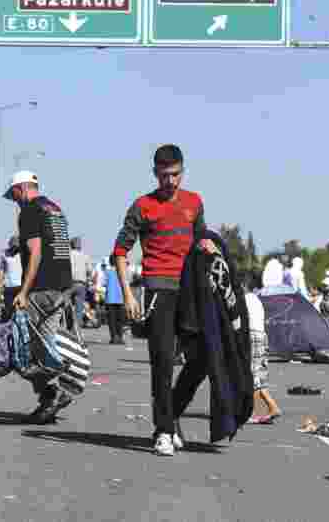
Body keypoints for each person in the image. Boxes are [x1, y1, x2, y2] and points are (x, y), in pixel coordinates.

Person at [112, 144, 217, 456]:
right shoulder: (142, 206)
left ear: (183, 171)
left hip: (190, 290)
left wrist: (207, 246)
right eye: (164, 175)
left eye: (175, 175)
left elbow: (200, 239)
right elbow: (120, 251)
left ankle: (170, 415)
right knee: (162, 362)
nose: (170, 181)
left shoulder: (194, 202)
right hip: (158, 288)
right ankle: (163, 431)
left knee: (202, 359)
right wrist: (129, 294)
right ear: (155, 173)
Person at [4, 169, 76, 424]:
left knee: (20, 350)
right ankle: (49, 402)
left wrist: (24, 291)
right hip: (61, 288)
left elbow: (35, 252)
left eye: (13, 195)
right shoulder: (54, 208)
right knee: (45, 345)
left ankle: (54, 390)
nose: (14, 201)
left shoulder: (30, 211)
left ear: (21, 188)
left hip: (41, 288)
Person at [245, 288, 281, 424]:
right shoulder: (255, 299)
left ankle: (250, 413)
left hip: (252, 334)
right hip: (261, 335)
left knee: (252, 375)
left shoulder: (245, 299)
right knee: (258, 375)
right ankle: (272, 407)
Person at [69, 237, 91, 327]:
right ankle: (76, 328)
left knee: (66, 306)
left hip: (69, 284)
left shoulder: (68, 255)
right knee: (79, 308)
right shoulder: (85, 256)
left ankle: (68, 326)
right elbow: (89, 271)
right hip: (81, 284)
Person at [103, 256, 125, 344]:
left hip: (110, 299)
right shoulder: (122, 272)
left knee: (112, 319)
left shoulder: (107, 272)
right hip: (120, 298)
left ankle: (114, 337)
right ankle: (120, 337)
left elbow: (103, 283)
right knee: (120, 319)